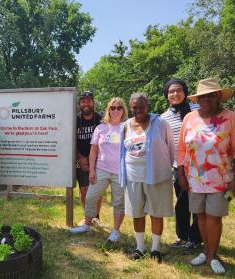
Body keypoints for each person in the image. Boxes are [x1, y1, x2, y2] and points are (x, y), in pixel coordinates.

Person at [177, 79, 235, 274]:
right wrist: (181, 173)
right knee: (201, 216)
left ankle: (212, 255)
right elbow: (182, 148)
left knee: (214, 216)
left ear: (218, 97)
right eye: (202, 96)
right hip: (194, 178)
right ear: (197, 99)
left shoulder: (230, 117)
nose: (206, 99)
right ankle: (206, 251)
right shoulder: (189, 118)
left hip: (221, 178)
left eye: (211, 95)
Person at [120, 93, 174, 262]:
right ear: (130, 107)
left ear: (147, 106)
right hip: (133, 176)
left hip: (156, 176)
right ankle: (140, 248)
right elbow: (122, 151)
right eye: (134, 107)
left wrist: (168, 168)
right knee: (137, 213)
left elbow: (171, 148)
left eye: (141, 106)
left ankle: (155, 249)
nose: (138, 110)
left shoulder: (160, 123)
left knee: (156, 213)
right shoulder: (125, 126)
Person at [70, 97, 127, 244]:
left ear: (123, 110)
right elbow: (93, 151)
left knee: (118, 203)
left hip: (120, 172)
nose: (115, 110)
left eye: (119, 108)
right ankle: (87, 225)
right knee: (90, 197)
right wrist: (92, 171)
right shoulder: (101, 128)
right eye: (112, 108)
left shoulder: (127, 127)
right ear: (108, 110)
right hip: (101, 169)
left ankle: (115, 231)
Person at [160, 78, 202, 251]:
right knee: (182, 204)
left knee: (199, 203)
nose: (175, 94)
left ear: (185, 92)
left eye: (178, 90)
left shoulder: (198, 110)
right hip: (179, 167)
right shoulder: (164, 118)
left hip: (201, 166)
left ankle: (196, 237)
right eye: (171, 91)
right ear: (166, 95)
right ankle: (183, 236)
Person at [76, 91, 103, 219]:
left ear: (93, 103)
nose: (86, 103)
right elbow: (71, 141)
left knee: (97, 191)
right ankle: (88, 217)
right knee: (84, 190)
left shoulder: (100, 119)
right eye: (83, 101)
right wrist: (80, 158)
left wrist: (91, 159)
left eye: (88, 100)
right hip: (80, 161)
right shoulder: (75, 119)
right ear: (79, 104)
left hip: (98, 160)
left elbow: (105, 142)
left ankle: (96, 217)